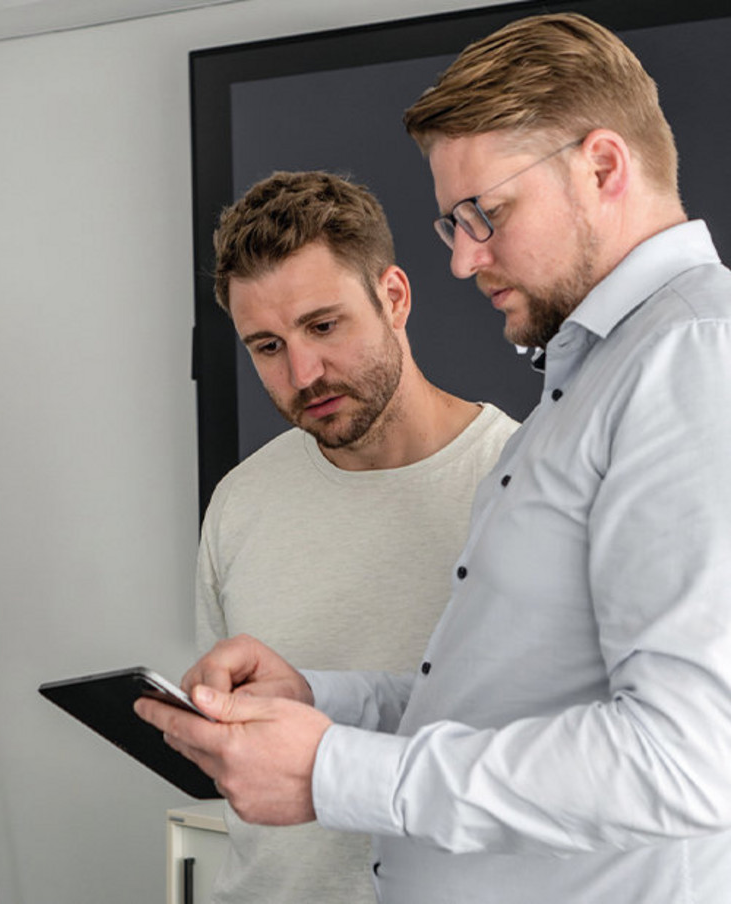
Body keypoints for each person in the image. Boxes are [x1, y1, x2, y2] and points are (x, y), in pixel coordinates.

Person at [137, 13, 731, 903]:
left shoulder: (690, 362)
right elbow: (509, 711)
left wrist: (336, 771)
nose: (463, 259)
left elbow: (688, 760)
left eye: (483, 214)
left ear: (603, 166)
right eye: (453, 223)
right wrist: (324, 701)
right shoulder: (593, 385)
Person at [195, 170, 517, 904]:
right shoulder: (241, 503)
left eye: (323, 325)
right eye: (267, 346)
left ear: (395, 298)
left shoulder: (523, 483)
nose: (303, 372)